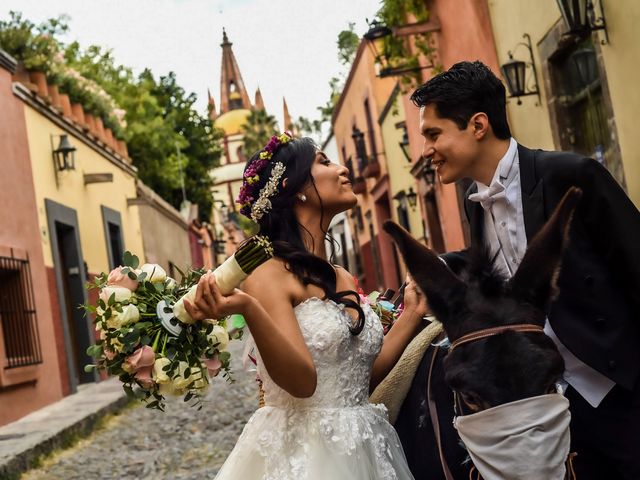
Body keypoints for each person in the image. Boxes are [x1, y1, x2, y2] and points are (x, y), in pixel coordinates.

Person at [403, 60, 640, 479]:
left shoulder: (571, 175)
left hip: (618, 386)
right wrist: (445, 263)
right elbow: (503, 272)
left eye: (433, 134)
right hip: (547, 402)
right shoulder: (473, 202)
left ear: (478, 125)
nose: (425, 151)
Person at [184, 132, 426, 479]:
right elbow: (301, 383)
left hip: (366, 446)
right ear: (295, 187)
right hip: (306, 456)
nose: (343, 169)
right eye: (325, 162)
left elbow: (357, 378)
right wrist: (249, 309)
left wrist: (413, 312)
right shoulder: (267, 272)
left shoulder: (341, 276)